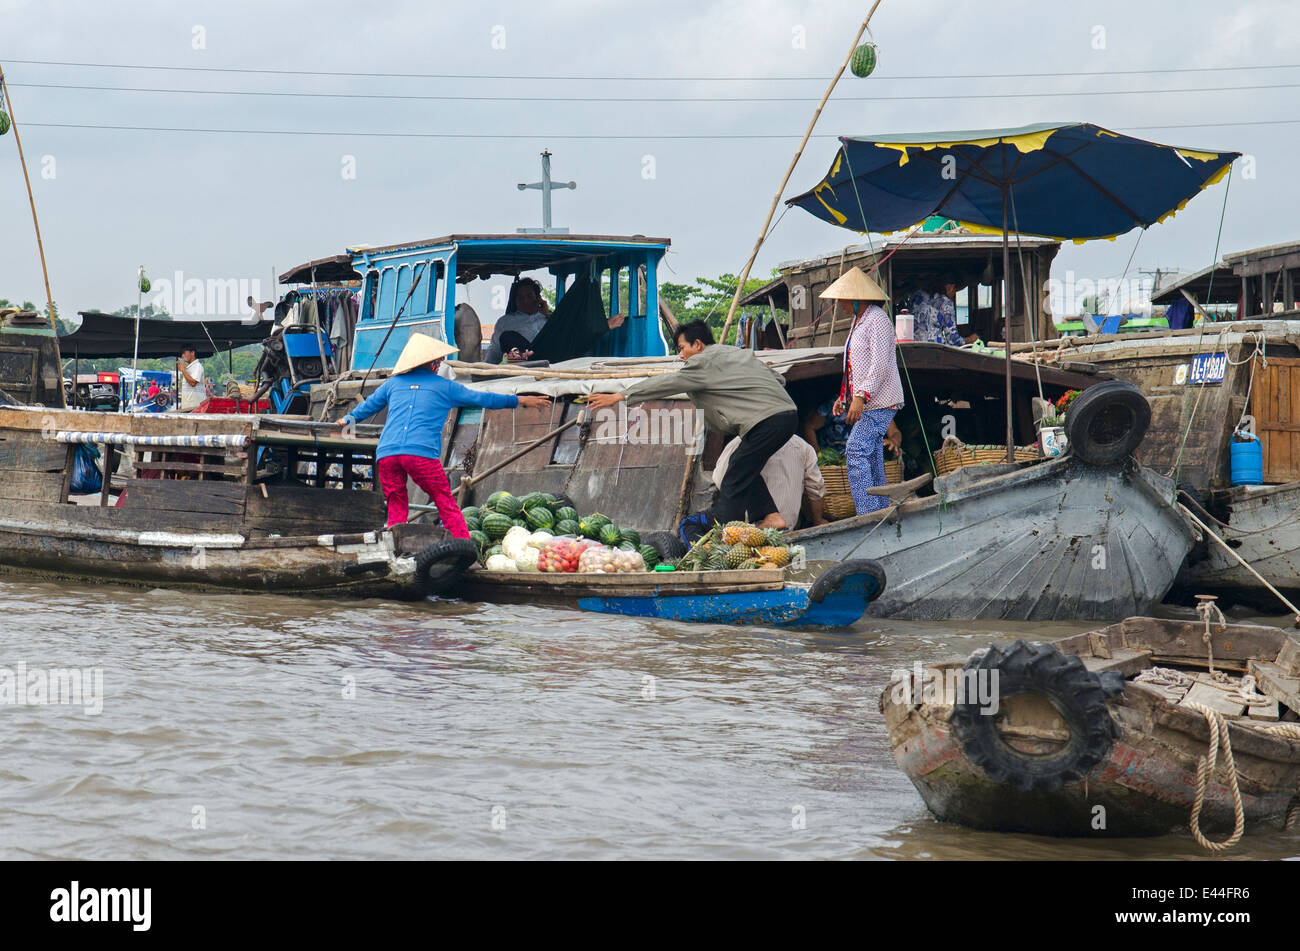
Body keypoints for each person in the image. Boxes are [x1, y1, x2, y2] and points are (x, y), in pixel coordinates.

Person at [586, 320, 798, 537]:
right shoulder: (737, 354)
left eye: (682, 348)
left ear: (697, 344)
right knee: (743, 467)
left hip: (767, 422)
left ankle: (731, 534)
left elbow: (668, 383)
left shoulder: (702, 362)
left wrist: (621, 395)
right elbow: (778, 379)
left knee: (733, 478)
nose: (680, 355)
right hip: (788, 415)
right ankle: (771, 517)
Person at [338, 333, 549, 530]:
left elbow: (368, 406)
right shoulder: (445, 387)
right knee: (445, 502)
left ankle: (394, 546)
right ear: (433, 364)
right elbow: (484, 398)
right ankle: (465, 553)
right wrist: (519, 400)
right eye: (437, 362)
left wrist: (347, 420)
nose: (439, 365)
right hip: (420, 454)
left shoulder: (392, 384)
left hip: (387, 454)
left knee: (396, 503)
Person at [822, 267, 905, 515]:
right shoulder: (858, 321)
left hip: (881, 401)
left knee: (856, 451)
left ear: (858, 298)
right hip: (870, 401)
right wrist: (845, 397)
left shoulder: (877, 319)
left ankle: (868, 514)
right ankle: (881, 511)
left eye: (844, 300)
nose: (840, 305)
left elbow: (878, 364)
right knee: (870, 456)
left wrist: (860, 397)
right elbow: (854, 364)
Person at [483, 277, 626, 364]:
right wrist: (484, 371)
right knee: (508, 337)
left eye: (529, 295)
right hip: (528, 362)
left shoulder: (550, 318)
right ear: (515, 300)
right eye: (520, 297)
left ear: (537, 297)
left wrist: (546, 313)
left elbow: (566, 333)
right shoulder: (506, 321)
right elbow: (495, 350)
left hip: (556, 355)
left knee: (570, 331)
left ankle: (602, 326)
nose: (525, 300)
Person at [714, 434, 828, 529]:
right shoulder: (801, 446)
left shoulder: (739, 444)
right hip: (789, 527)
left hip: (751, 530)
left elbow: (719, 479)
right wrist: (818, 520)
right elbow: (816, 488)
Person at [176, 347, 206, 411]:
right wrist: (183, 404)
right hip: (188, 406)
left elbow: (193, 383)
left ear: (192, 353)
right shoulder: (189, 368)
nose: (182, 356)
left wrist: (183, 370)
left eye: (184, 353)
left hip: (196, 407)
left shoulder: (197, 366)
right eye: (182, 354)